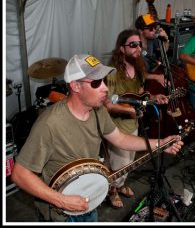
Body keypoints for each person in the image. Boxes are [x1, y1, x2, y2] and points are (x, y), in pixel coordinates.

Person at [11, 54, 183, 222]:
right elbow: (20, 174)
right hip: (61, 213)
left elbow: (120, 139)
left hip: (90, 200)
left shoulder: (97, 110)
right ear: (76, 86)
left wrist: (161, 144)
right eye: (96, 82)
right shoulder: (50, 124)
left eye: (103, 80)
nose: (105, 88)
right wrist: (61, 200)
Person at [103, 29, 169, 209]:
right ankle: (111, 189)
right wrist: (128, 111)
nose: (137, 48)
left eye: (139, 44)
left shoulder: (139, 67)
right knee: (119, 161)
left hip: (133, 122)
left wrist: (153, 97)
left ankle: (120, 184)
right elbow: (107, 104)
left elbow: (139, 93)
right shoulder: (113, 71)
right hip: (117, 125)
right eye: (132, 45)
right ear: (122, 48)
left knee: (130, 159)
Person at [135, 13, 170, 86]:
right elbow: (137, 73)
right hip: (137, 82)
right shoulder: (134, 46)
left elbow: (164, 51)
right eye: (151, 28)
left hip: (150, 75)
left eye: (154, 27)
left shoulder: (151, 40)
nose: (154, 30)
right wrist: (157, 77)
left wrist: (166, 40)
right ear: (141, 30)